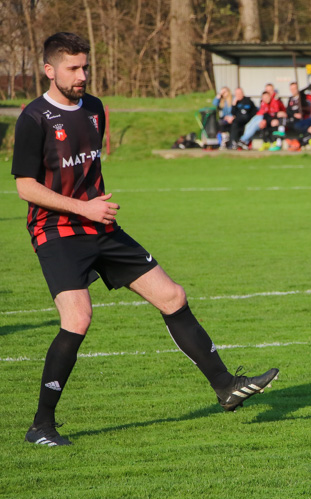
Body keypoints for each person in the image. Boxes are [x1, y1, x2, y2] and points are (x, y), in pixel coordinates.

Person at [11, 33, 279, 447]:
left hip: (101, 226)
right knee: (78, 318)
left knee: (172, 296)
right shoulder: (32, 119)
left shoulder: (96, 109)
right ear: (49, 71)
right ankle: (41, 425)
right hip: (56, 230)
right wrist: (83, 208)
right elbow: (26, 187)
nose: (83, 75)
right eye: (73, 68)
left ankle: (226, 387)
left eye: (85, 67)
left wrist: (92, 209)